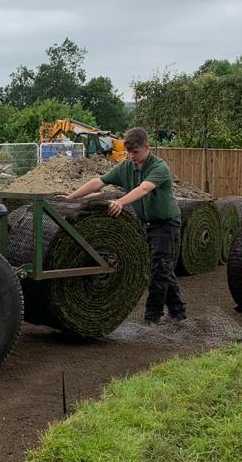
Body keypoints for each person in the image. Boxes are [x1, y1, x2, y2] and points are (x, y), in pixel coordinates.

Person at [67, 127, 186, 325]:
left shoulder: (160, 168)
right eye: (128, 152)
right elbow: (99, 182)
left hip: (166, 224)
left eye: (135, 152)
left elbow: (144, 188)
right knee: (161, 268)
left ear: (147, 148)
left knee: (159, 269)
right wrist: (70, 198)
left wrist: (121, 202)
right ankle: (179, 313)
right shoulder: (126, 167)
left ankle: (152, 317)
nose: (131, 156)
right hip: (145, 223)